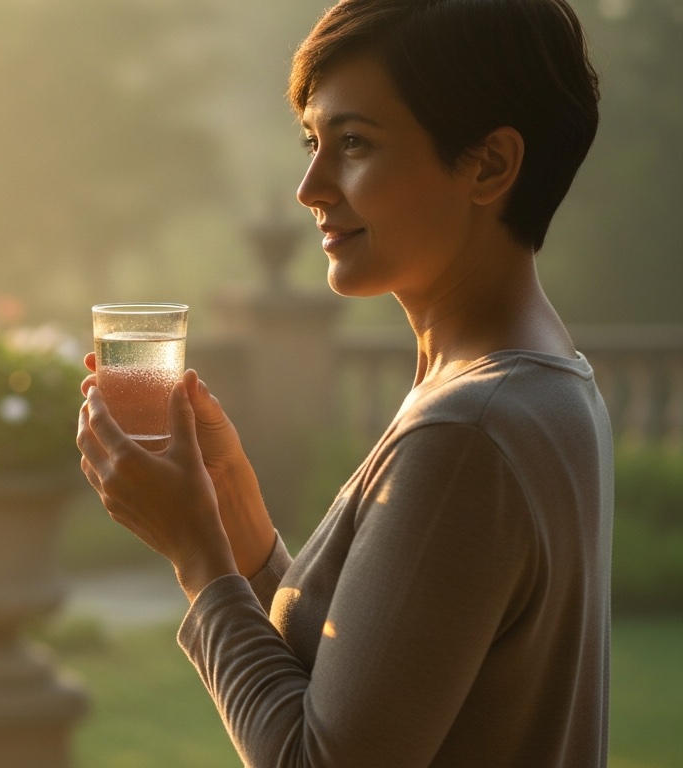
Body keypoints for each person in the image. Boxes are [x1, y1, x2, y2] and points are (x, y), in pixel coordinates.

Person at [75, 0, 612, 765]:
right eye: (312, 142)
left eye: (354, 143)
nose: (311, 187)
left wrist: (197, 557)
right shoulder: (538, 382)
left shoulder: (469, 431)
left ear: (490, 164)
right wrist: (246, 537)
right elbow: (377, 689)